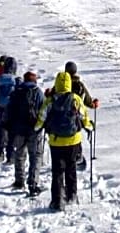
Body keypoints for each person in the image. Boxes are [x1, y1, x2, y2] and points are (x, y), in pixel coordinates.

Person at [36, 70, 93, 211]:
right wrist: (90, 127)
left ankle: (57, 201)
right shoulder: (75, 99)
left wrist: (37, 128)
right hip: (73, 140)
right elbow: (84, 118)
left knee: (57, 171)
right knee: (71, 168)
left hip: (56, 142)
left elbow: (41, 118)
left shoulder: (50, 100)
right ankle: (71, 195)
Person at [4, 70, 45, 196]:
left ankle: (19, 181)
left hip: (19, 130)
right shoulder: (38, 92)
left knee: (20, 155)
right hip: (34, 130)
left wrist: (8, 125)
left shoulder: (17, 92)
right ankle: (33, 184)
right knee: (35, 156)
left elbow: (9, 110)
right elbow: (43, 110)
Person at [64, 61, 99, 170]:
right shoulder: (80, 86)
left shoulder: (61, 83)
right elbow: (88, 102)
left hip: (61, 117)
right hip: (77, 118)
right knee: (76, 136)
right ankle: (77, 156)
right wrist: (94, 104)